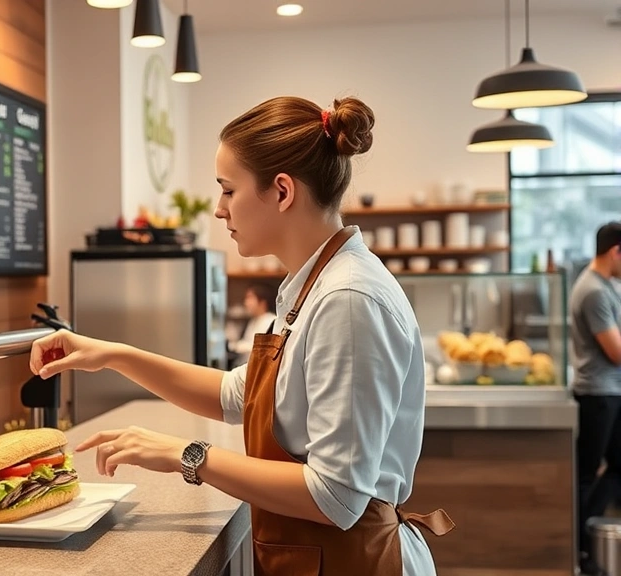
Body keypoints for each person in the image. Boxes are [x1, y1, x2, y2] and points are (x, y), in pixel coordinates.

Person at [30, 95, 453, 575]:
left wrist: (183, 454)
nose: (218, 210)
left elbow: (338, 496)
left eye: (228, 190)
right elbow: (240, 393)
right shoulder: (315, 285)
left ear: (281, 191)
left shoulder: (348, 299)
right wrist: (112, 354)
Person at [569, 222, 621, 575]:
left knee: (613, 469)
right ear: (615, 250)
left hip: (608, 393)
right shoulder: (594, 291)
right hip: (599, 396)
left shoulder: (606, 286)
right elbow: (616, 351)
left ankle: (586, 536)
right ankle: (581, 548)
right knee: (587, 475)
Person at [230, 284, 278, 365]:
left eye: (250, 298)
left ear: (263, 302)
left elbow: (260, 349)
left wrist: (234, 346)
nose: (246, 302)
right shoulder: (253, 320)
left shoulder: (270, 320)